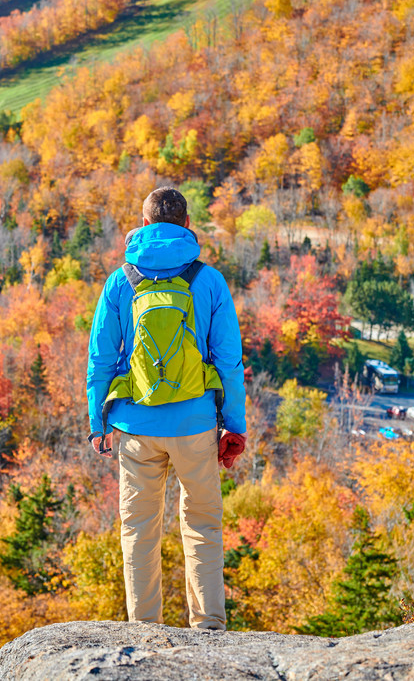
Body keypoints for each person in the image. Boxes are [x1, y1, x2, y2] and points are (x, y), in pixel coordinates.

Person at [85, 187, 247, 630]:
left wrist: (97, 420)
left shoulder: (121, 281)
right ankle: (209, 626)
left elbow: (101, 357)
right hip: (195, 424)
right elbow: (229, 361)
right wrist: (233, 425)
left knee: (138, 531)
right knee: (202, 525)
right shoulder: (209, 280)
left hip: (135, 427)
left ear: (141, 224)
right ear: (188, 225)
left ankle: (144, 629)